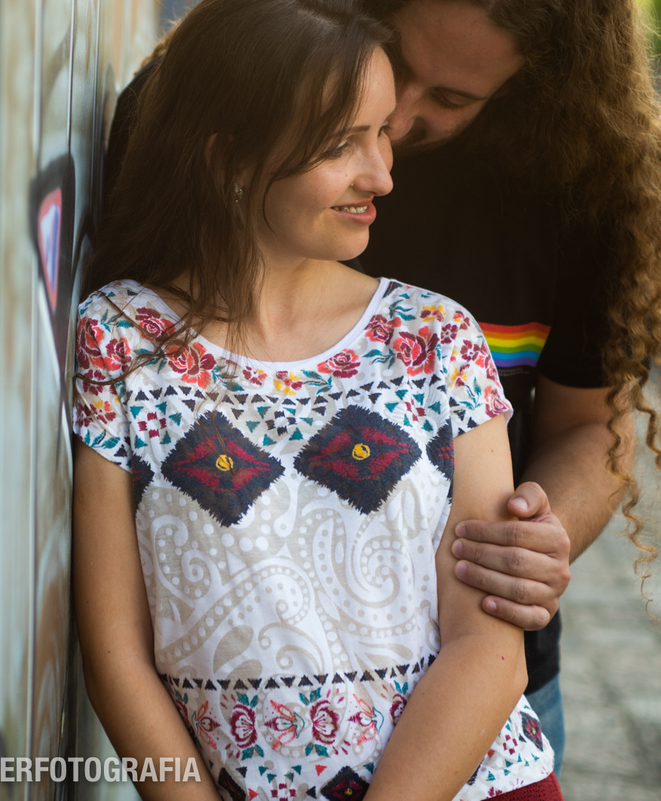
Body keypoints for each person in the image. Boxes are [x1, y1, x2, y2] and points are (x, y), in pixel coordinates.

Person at [99, 0, 661, 772]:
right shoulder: (211, 102)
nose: (397, 125)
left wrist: (531, 539)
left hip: (474, 705)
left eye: (453, 100)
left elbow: (592, 424)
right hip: (239, 737)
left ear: (534, 86)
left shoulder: (578, 177)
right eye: (396, 62)